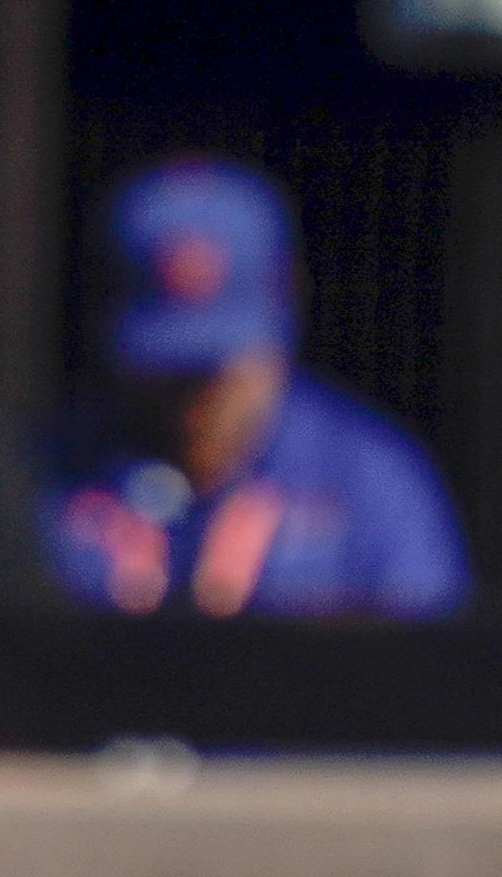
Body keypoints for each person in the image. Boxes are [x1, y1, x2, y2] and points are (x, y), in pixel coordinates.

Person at [39, 158, 468, 620]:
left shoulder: (370, 480)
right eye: (169, 371)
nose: (192, 400)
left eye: (216, 371)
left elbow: (434, 675)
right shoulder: (46, 472)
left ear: (285, 305)